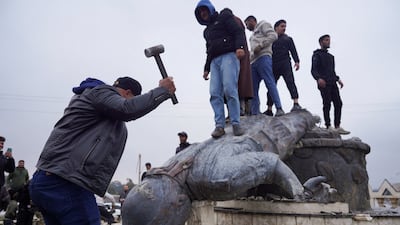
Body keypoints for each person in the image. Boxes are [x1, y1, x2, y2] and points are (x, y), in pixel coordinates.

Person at [29, 76, 176, 225]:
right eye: (133, 99)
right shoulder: (100, 93)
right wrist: (162, 90)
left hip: (52, 178)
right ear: (127, 93)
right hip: (66, 182)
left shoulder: (99, 105)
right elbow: (128, 108)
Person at [195, 0, 247, 138]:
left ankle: (236, 123)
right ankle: (219, 126)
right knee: (214, 92)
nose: (203, 13)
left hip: (229, 55)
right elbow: (209, 50)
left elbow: (238, 31)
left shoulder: (224, 16)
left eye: (204, 10)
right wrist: (206, 68)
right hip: (214, 61)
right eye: (200, 12)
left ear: (210, 9)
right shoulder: (206, 32)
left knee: (229, 88)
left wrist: (240, 47)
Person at [244, 16, 285, 117]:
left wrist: (261, 45)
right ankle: (255, 112)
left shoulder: (263, 24)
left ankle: (279, 108)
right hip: (253, 61)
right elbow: (253, 50)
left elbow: (273, 35)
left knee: (269, 82)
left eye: (247, 24)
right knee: (253, 88)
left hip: (263, 57)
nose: (246, 26)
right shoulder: (252, 36)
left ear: (251, 21)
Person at [311, 34, 350, 135]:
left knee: (338, 103)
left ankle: (337, 126)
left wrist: (338, 79)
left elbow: (332, 71)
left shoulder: (331, 57)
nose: (328, 42)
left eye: (329, 40)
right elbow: (313, 70)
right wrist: (318, 78)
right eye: (326, 40)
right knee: (327, 103)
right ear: (321, 42)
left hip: (332, 82)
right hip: (324, 83)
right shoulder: (317, 55)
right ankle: (328, 125)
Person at [264, 19, 301, 116]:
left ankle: (296, 103)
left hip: (285, 64)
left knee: (290, 82)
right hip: (273, 65)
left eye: (285, 26)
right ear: (276, 28)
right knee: (271, 86)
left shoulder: (288, 39)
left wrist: (297, 61)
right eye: (282, 26)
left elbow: (293, 51)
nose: (284, 28)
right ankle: (269, 108)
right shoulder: (271, 39)